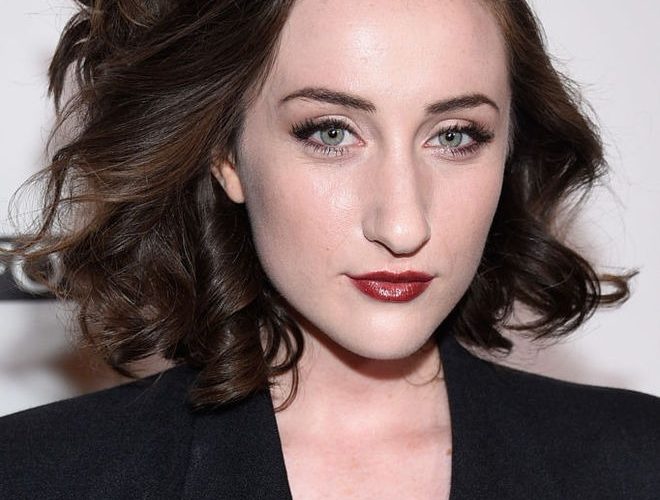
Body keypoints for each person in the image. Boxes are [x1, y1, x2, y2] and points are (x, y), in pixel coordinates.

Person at [1, 0, 658, 498]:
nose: (402, 225)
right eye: (332, 132)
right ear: (225, 153)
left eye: (455, 135)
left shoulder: (637, 461)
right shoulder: (38, 474)